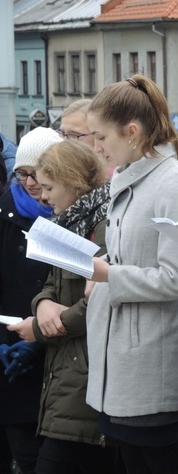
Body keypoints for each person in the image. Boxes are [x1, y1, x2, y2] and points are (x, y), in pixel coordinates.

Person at [85, 75, 178, 474]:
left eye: (101, 137)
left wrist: (107, 275)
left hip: (148, 353)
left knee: (154, 461)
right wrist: (98, 270)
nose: (95, 147)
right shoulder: (128, 174)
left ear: (132, 132)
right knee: (130, 459)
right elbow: (125, 252)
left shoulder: (173, 183)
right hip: (115, 351)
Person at [7, 141, 118, 474]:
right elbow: (52, 282)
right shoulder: (68, 221)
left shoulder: (103, 226)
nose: (43, 196)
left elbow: (99, 299)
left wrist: (40, 328)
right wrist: (42, 305)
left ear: (73, 182)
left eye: (50, 187)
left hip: (85, 369)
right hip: (68, 371)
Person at [0, 127, 62, 474]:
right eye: (23, 174)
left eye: (38, 174)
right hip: (11, 348)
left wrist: (39, 336)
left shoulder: (68, 213)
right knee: (22, 451)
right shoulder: (5, 214)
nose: (30, 183)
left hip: (55, 347)